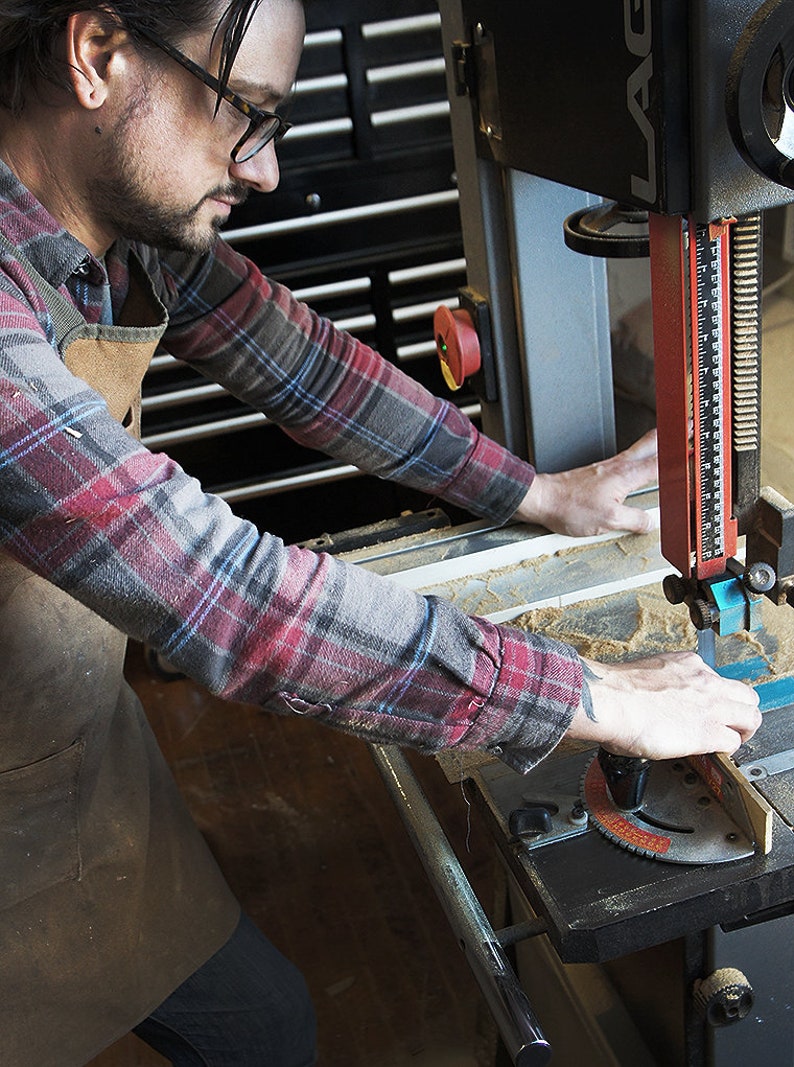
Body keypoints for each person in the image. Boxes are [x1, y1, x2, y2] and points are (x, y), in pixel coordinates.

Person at [0, 2, 761, 1065]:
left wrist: (535, 494)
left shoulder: (122, 233)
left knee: (262, 1026)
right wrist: (591, 695)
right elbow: (216, 590)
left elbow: (304, 366)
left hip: (73, 768)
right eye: (246, 114)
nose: (262, 170)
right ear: (96, 58)